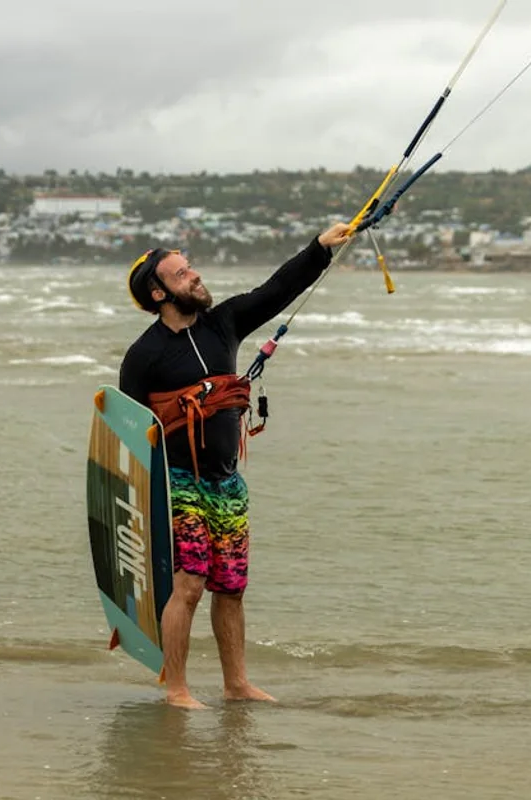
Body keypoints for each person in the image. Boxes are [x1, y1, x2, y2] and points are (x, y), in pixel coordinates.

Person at [118, 221, 353, 709]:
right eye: (182, 274)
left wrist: (319, 248)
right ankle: (177, 690)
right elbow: (129, 431)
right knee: (189, 585)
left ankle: (236, 684)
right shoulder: (143, 357)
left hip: (226, 483)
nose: (195, 276)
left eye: (191, 268)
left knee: (231, 587)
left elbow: (276, 290)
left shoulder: (222, 323)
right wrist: (138, 505)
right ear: (160, 293)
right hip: (177, 483)